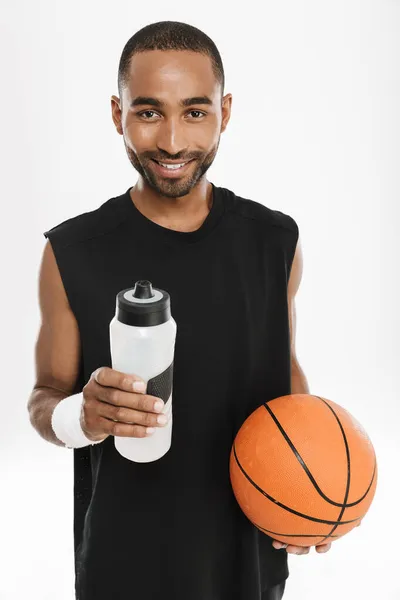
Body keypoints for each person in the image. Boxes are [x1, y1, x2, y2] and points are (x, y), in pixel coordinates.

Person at [28, 20, 332, 600]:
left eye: (195, 112)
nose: (172, 142)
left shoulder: (275, 240)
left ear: (226, 110)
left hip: (249, 556)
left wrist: (311, 481)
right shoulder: (71, 251)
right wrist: (83, 417)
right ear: (118, 114)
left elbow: (284, 370)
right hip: (125, 562)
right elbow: (44, 398)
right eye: (148, 113)